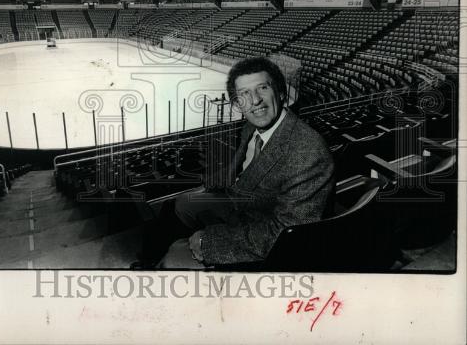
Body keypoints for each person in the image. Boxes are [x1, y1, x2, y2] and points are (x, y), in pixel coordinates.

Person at [133, 56, 335, 269]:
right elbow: (239, 168)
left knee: (175, 257)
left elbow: (287, 234)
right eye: (244, 94)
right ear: (238, 104)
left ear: (281, 92)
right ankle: (149, 260)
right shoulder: (252, 126)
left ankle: (157, 270)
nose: (255, 100)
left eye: (263, 88)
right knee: (177, 204)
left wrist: (209, 242)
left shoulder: (308, 152)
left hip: (258, 227)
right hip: (239, 201)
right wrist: (208, 186)